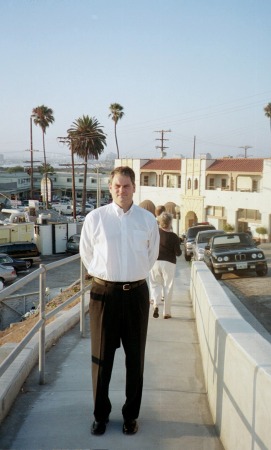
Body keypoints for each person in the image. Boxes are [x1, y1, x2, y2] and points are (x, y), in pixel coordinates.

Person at [80, 166, 160, 436]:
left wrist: (130, 276)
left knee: (135, 360)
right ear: (110, 187)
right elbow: (87, 254)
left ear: (134, 187)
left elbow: (151, 257)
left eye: (126, 186)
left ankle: (130, 416)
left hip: (136, 294)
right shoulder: (95, 218)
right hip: (104, 295)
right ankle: (100, 416)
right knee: (102, 359)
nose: (121, 190)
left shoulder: (147, 220)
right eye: (116, 186)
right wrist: (108, 276)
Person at [149, 211, 182, 319]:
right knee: (168, 286)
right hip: (169, 263)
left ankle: (155, 304)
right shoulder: (174, 237)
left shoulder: (155, 233)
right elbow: (178, 253)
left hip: (155, 262)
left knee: (155, 284)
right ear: (170, 223)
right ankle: (166, 312)